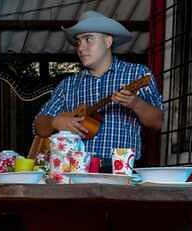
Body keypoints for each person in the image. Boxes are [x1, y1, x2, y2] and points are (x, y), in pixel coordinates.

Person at [33, 11, 164, 169]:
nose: (81, 48)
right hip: (75, 170)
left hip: (120, 170)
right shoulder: (68, 85)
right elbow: (38, 125)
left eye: (88, 39)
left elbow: (158, 122)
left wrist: (135, 103)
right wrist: (57, 121)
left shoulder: (137, 74)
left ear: (108, 42)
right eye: (78, 42)